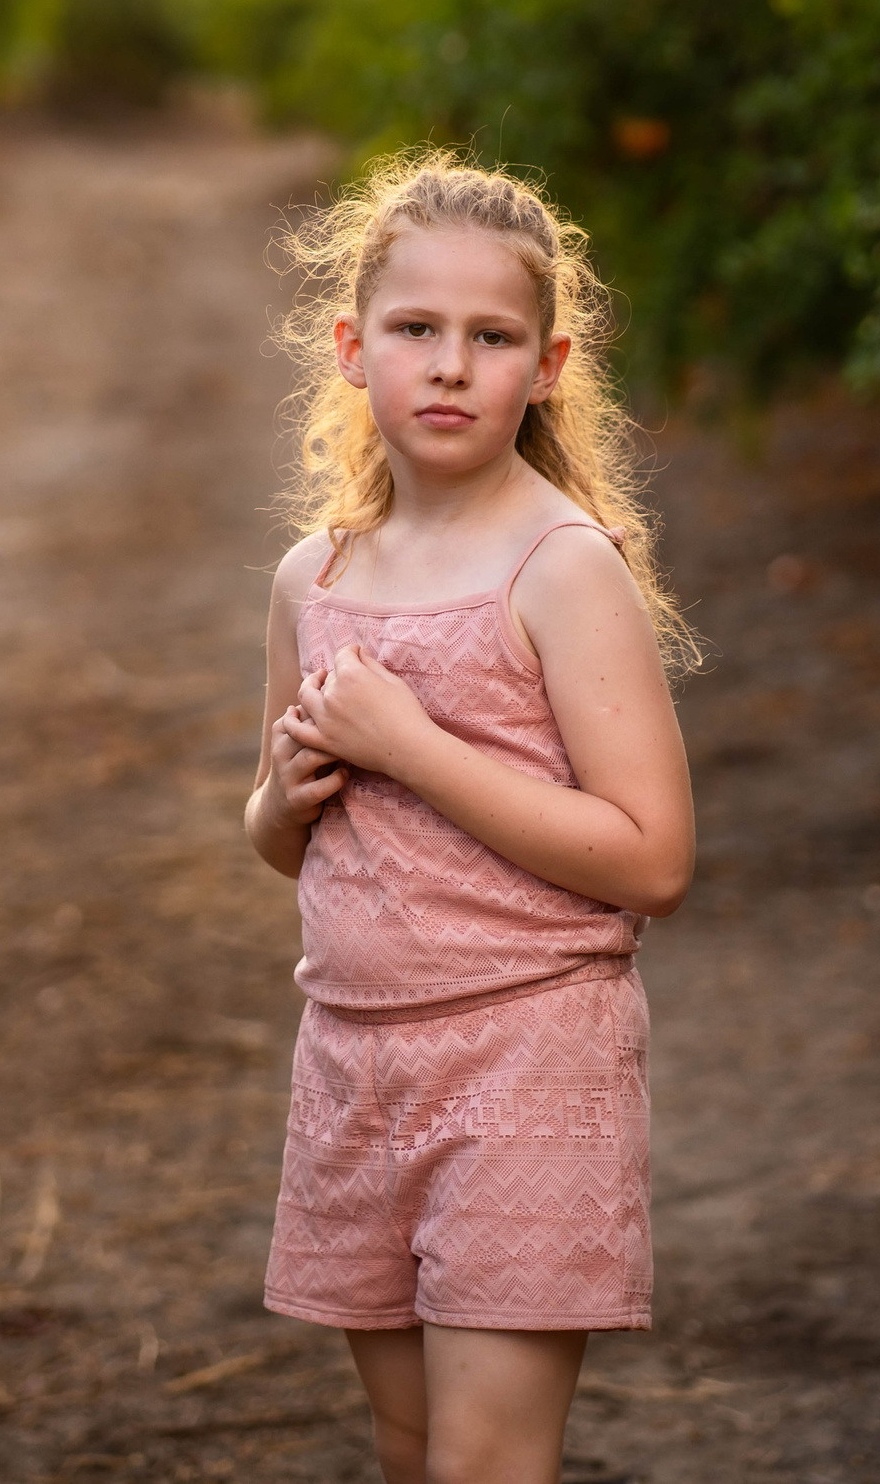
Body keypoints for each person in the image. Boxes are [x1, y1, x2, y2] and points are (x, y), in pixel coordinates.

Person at [244, 152, 698, 1484]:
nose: (450, 364)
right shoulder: (311, 578)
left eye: (490, 337)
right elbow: (279, 836)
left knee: (484, 1466)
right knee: (407, 1449)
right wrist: (287, 791)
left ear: (547, 365)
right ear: (351, 346)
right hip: (353, 1060)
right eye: (416, 329)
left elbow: (655, 860)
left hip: (528, 1058)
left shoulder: (562, 569)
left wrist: (414, 749)